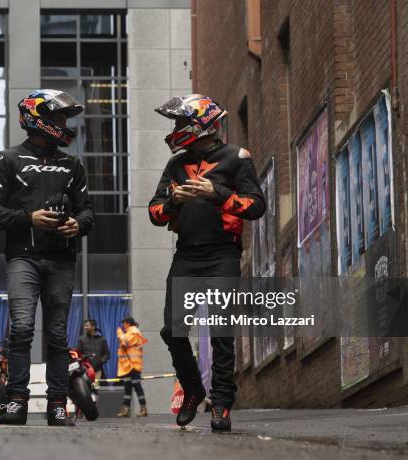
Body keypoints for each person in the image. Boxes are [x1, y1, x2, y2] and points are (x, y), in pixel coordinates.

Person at [150, 94, 266, 432]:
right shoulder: (175, 165)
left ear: (198, 125)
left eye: (179, 123)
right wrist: (173, 200)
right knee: (173, 330)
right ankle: (192, 389)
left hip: (222, 254)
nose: (175, 129)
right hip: (186, 254)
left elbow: (256, 206)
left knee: (220, 332)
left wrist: (215, 194)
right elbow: (155, 213)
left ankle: (221, 404)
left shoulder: (236, 158)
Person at [0, 89, 94, 427]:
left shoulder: (73, 164)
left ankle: (57, 404)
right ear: (37, 119)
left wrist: (79, 224)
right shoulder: (7, 160)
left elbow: (88, 212)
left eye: (64, 118)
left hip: (61, 260)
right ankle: (16, 400)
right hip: (23, 259)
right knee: (22, 329)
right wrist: (29, 218)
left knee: (58, 336)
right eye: (58, 117)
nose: (63, 123)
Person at [115, 317, 148, 417]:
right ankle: (126, 410)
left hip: (133, 365)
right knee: (128, 387)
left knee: (137, 386)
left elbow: (125, 343)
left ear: (128, 323)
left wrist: (120, 334)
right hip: (129, 366)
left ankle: (143, 409)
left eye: (124, 323)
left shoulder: (134, 331)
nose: (123, 326)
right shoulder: (130, 331)